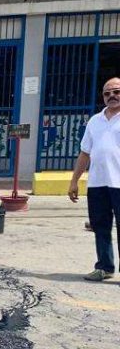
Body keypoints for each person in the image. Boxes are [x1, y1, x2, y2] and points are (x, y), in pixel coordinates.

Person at [68, 78, 120, 282]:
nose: (112, 96)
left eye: (116, 91)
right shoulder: (95, 121)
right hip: (98, 183)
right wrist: (74, 181)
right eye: (107, 93)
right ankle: (104, 267)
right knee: (100, 225)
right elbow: (84, 153)